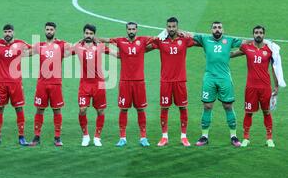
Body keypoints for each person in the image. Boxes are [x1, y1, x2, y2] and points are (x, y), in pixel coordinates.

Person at [98, 22, 153, 147]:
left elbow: (157, 40)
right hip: (125, 82)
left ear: (137, 30)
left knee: (140, 109)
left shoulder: (143, 40)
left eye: (133, 29)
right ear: (126, 30)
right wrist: (96, 38)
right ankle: (122, 138)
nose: (131, 31)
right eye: (129, 29)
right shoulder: (120, 41)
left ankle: (143, 137)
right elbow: (107, 40)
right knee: (123, 109)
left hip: (139, 82)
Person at [192, 22, 245, 147]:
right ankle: (204, 136)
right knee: (207, 106)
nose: (217, 29)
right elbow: (188, 35)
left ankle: (234, 136)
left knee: (228, 106)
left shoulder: (229, 40)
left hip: (224, 78)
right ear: (211, 30)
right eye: (215, 27)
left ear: (223, 30)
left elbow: (245, 44)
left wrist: (266, 43)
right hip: (209, 78)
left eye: (219, 27)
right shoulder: (205, 39)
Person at [148, 17, 194, 147]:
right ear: (166, 27)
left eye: (174, 26)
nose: (171, 29)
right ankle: (164, 137)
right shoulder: (161, 40)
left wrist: (184, 32)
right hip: (166, 81)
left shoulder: (184, 40)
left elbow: (198, 40)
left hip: (180, 80)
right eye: (169, 26)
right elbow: (146, 45)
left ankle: (184, 137)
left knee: (183, 107)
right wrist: (158, 36)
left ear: (177, 27)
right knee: (164, 108)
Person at [230, 25, 279, 147]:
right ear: (253, 34)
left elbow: (275, 69)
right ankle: (246, 138)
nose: (258, 34)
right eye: (256, 32)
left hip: (265, 87)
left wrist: (276, 86)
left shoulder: (270, 50)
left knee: (267, 112)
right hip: (251, 87)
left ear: (264, 35)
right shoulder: (247, 47)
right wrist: (219, 54)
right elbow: (233, 53)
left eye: (261, 32)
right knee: (249, 112)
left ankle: (269, 138)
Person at [29, 22, 72, 147]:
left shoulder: (61, 45)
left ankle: (57, 138)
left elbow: (75, 48)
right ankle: (36, 137)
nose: (49, 31)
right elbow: (26, 53)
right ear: (44, 31)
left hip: (55, 83)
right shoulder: (40, 46)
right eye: (47, 29)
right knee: (39, 109)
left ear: (55, 31)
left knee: (56, 110)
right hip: (42, 83)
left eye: (51, 29)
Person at [0, 24, 31, 146]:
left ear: (13, 33)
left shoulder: (20, 43)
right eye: (5, 31)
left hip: (16, 83)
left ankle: (21, 137)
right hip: (1, 83)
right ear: (3, 33)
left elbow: (34, 50)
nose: (7, 34)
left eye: (9, 31)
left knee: (19, 108)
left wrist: (24, 54)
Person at [73, 24, 116, 147]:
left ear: (94, 35)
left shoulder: (100, 46)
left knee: (100, 110)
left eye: (91, 34)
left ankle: (97, 137)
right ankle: (85, 136)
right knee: (82, 109)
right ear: (83, 33)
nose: (88, 36)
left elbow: (116, 54)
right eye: (86, 33)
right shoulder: (77, 46)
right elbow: (64, 51)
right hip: (85, 84)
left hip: (98, 84)